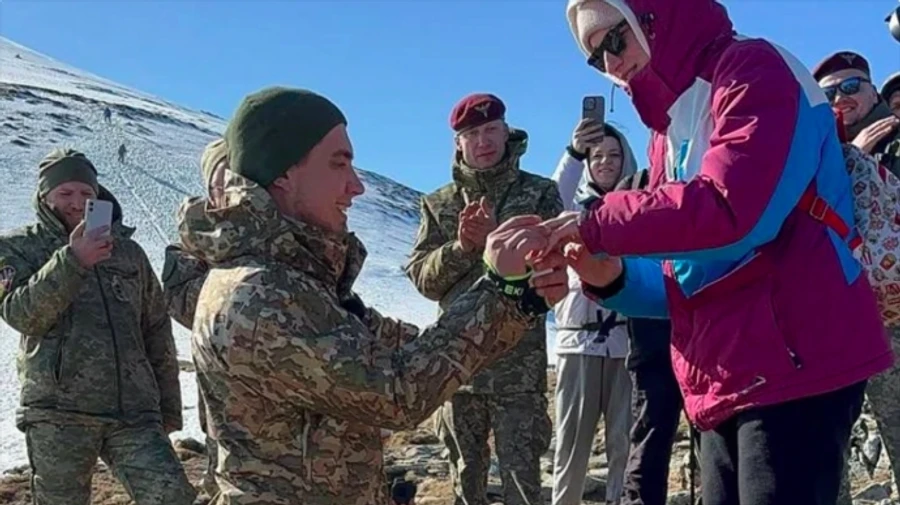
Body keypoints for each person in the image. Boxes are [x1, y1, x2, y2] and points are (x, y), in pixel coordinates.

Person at [550, 1, 894, 503]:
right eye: (595, 56)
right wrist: (610, 276)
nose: (610, 62)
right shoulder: (665, 132)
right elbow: (684, 277)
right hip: (726, 370)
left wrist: (596, 223)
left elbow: (736, 213)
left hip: (797, 357)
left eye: (615, 39)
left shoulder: (753, 69)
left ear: (655, 15)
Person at [181, 86, 569, 504]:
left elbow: (390, 342)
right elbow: (398, 393)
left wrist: (519, 301)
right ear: (284, 174)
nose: (358, 186)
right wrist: (499, 291)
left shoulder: (296, 275)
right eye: (339, 163)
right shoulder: (259, 297)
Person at [0, 148, 195, 505]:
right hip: (59, 412)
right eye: (65, 193)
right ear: (45, 196)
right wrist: (73, 260)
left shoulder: (128, 253)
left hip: (133, 412)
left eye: (85, 193)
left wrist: (168, 406)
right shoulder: (16, 247)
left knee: (173, 496)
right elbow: (21, 314)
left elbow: (156, 329)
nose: (76, 203)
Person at [405, 93, 563, 505]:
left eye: (491, 129)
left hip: (519, 368)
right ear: (458, 143)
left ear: (507, 132)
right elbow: (423, 280)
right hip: (458, 370)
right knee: (465, 482)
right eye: (472, 133)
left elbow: (554, 272)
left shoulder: (540, 194)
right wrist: (462, 248)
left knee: (523, 485)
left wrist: (502, 247)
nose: (483, 141)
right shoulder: (438, 204)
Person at [549, 118, 635, 505]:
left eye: (614, 155)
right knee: (571, 449)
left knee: (625, 446)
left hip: (625, 345)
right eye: (596, 156)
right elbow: (551, 198)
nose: (605, 162)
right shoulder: (569, 211)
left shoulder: (639, 206)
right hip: (577, 343)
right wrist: (572, 154)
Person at [161, 137, 229, 498]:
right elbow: (187, 307)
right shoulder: (191, 244)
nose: (233, 188)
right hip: (224, 402)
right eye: (222, 180)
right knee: (224, 481)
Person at [814, 51, 900, 177]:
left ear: (873, 93)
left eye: (851, 86)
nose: (839, 98)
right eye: (828, 93)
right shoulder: (816, 155)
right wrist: (852, 157)